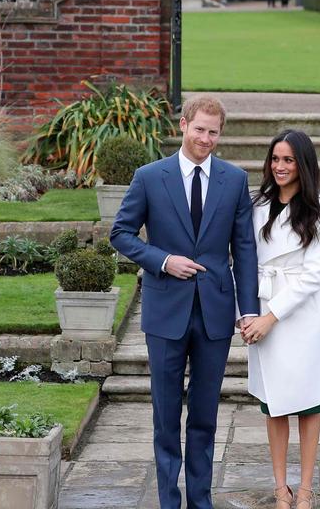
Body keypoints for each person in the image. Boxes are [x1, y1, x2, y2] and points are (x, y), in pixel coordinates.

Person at [110, 95, 261, 509]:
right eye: (200, 129)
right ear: (183, 125)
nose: (206, 139)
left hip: (215, 312)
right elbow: (120, 233)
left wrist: (248, 309)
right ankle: (168, 501)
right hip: (165, 312)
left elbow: (245, 249)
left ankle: (200, 500)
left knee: (205, 415)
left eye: (214, 132)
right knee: (165, 414)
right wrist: (162, 260)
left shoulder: (234, 180)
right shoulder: (149, 176)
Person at [242, 129, 320, 509]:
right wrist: (248, 315)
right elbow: (244, 260)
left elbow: (315, 273)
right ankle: (280, 488)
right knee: (274, 404)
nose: (280, 166)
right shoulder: (255, 206)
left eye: (288, 160)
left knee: (309, 403)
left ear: (302, 164)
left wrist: (271, 316)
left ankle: (305, 489)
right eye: (275, 159)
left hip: (302, 316)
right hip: (261, 308)